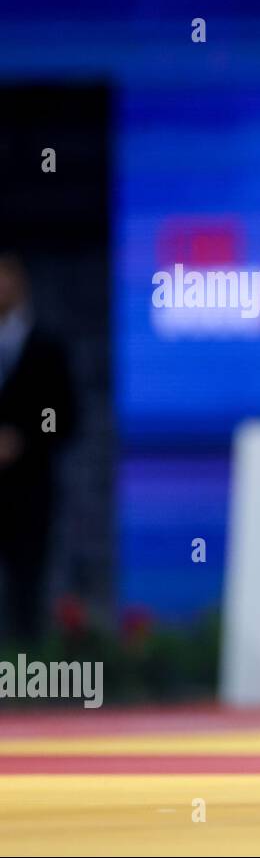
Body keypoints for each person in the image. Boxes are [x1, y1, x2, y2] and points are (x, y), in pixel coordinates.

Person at [0, 252, 77, 641]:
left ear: (21, 285)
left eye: (6, 278)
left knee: (28, 580)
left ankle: (24, 674)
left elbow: (59, 415)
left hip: (29, 488)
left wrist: (24, 440)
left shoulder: (46, 348)